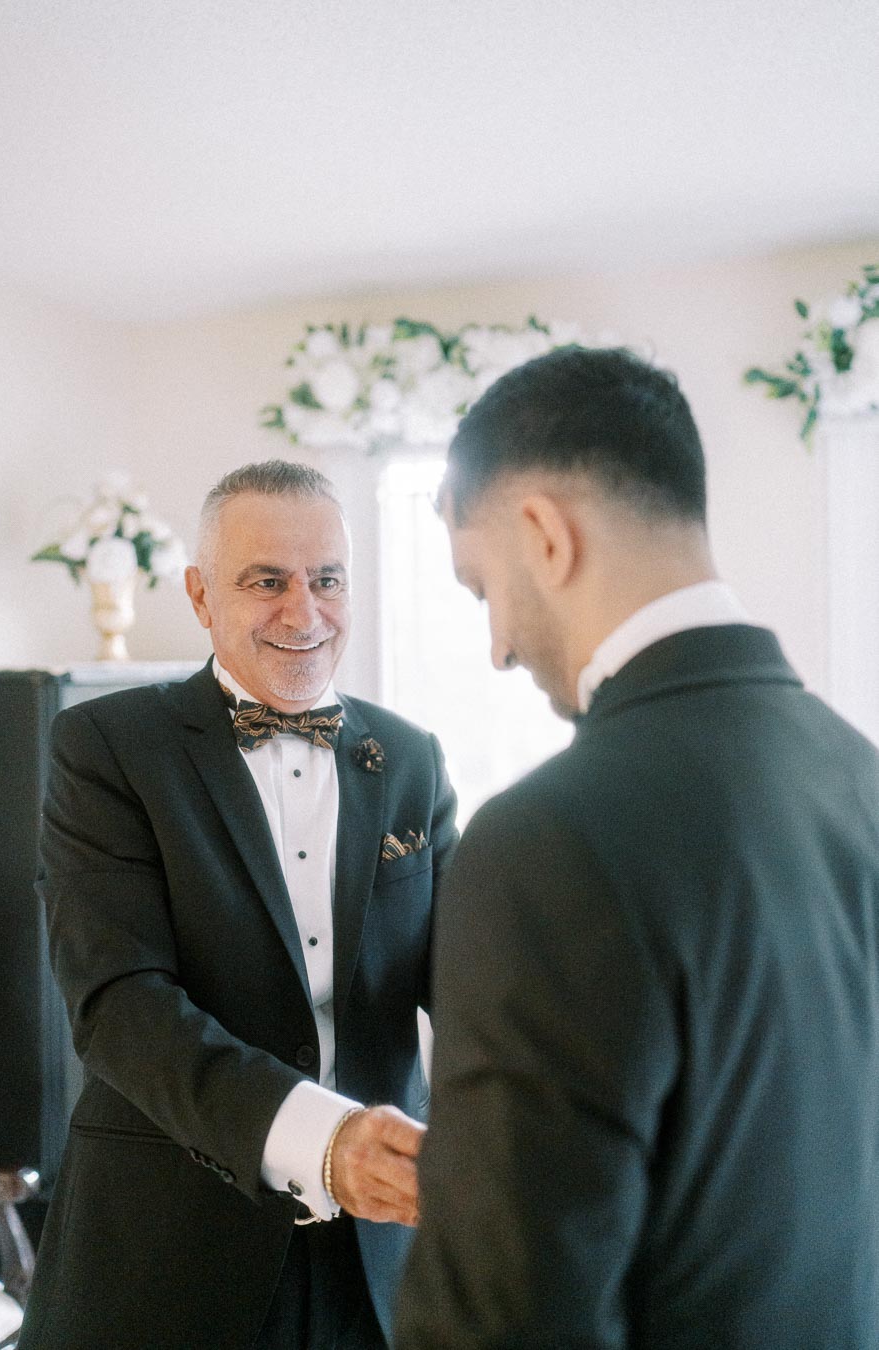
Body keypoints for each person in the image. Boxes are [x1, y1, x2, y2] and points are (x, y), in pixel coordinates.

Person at [395, 346, 879, 1350]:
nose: (495, 646)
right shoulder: (858, 772)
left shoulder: (545, 840)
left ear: (543, 535)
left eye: (483, 588)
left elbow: (502, 1321)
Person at [19, 459, 457, 1350]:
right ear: (200, 594)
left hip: (376, 1263)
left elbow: (471, 982)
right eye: (267, 581)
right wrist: (324, 1139)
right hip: (165, 1250)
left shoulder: (411, 757)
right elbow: (118, 1006)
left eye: (326, 579)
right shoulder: (104, 746)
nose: (304, 612)